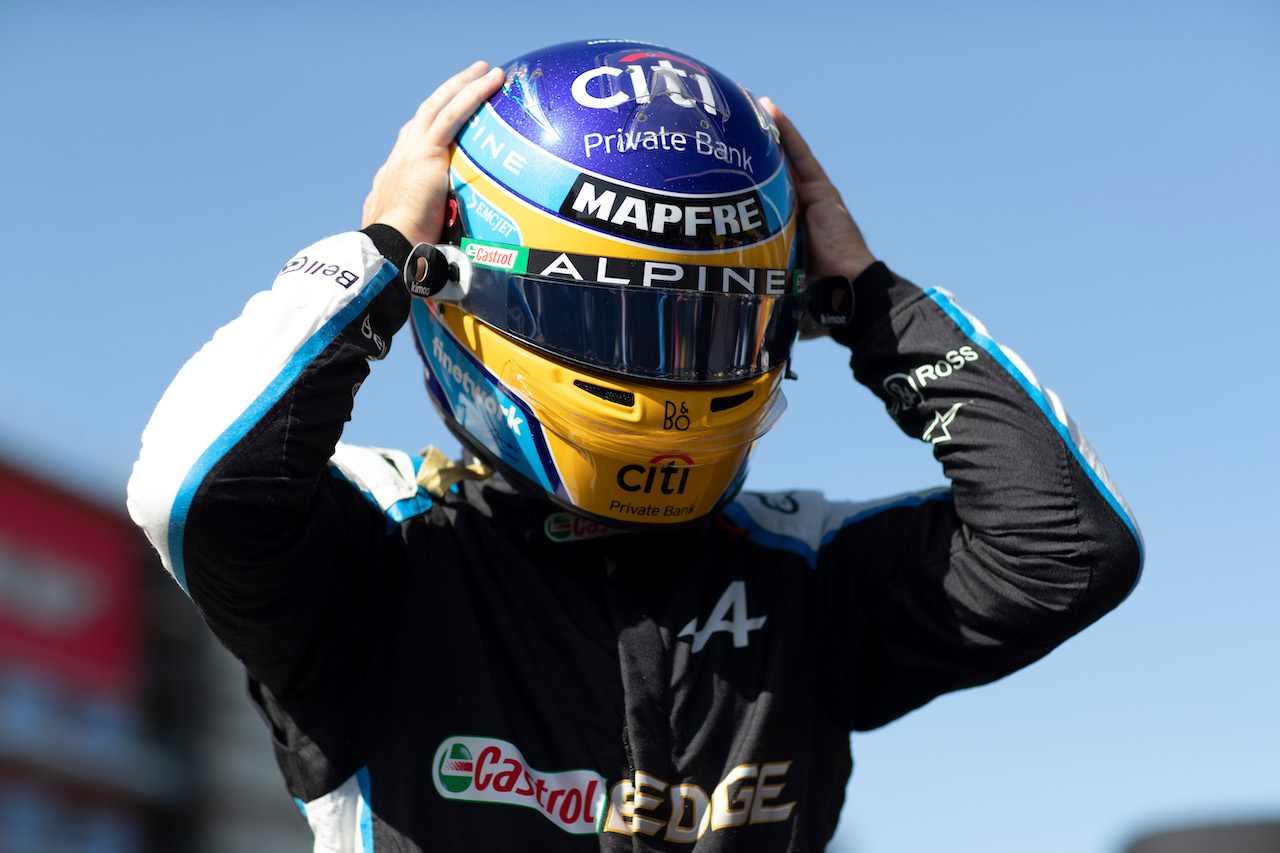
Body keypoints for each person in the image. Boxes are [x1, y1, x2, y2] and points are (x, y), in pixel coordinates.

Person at [127, 40, 1142, 852]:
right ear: (454, 292)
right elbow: (193, 492)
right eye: (609, 320)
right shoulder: (385, 553)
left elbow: (1065, 544)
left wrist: (871, 299)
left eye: (704, 322)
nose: (658, 368)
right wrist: (376, 257)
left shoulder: (803, 574)